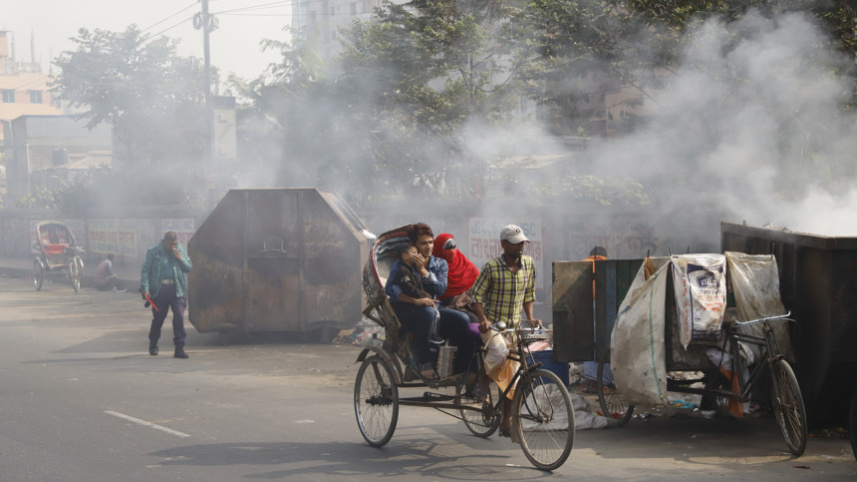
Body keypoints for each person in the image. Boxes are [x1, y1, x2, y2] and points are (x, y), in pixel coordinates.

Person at [471, 224, 542, 437]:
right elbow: (476, 296)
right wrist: (483, 319)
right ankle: (483, 382)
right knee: (499, 351)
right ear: (503, 244)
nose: (520, 247)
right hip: (493, 326)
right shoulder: (491, 267)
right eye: (515, 243)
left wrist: (530, 317)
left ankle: (506, 421)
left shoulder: (529, 264)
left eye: (522, 243)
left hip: (514, 327)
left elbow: (529, 294)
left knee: (514, 378)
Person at [140, 231, 193, 359]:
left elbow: (188, 268)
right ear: (164, 242)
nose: (172, 247)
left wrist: (180, 258)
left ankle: (179, 348)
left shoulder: (179, 250)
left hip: (177, 289)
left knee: (179, 316)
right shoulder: (154, 252)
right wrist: (145, 288)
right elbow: (146, 270)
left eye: (175, 244)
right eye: (170, 244)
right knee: (159, 318)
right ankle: (153, 343)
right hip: (160, 290)